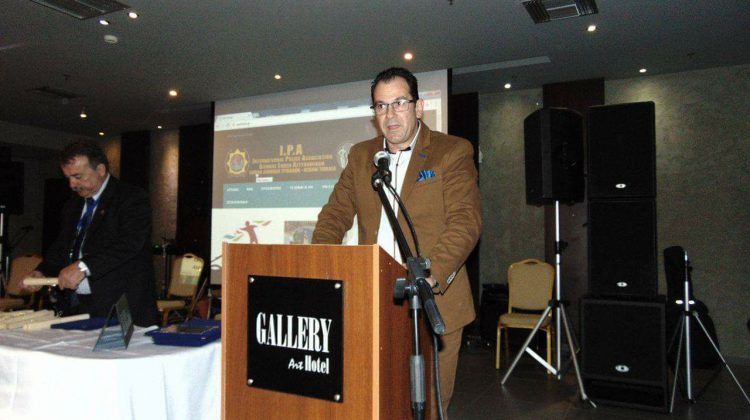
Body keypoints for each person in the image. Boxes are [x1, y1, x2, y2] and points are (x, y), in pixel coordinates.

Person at [312, 67, 481, 417]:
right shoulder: (361, 157)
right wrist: (319, 262)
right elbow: (334, 215)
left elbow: (465, 222)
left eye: (399, 103)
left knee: (428, 408)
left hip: (433, 301)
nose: (390, 115)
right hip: (374, 301)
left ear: (418, 107)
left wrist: (431, 273)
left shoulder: (451, 151)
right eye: (381, 106)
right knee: (375, 401)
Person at [28, 140, 158, 326]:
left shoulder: (131, 197)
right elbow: (63, 246)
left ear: (101, 170)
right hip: (80, 305)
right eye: (68, 178)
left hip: (122, 304)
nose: (72, 184)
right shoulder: (73, 205)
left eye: (78, 176)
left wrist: (83, 266)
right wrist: (42, 271)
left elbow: (129, 244)